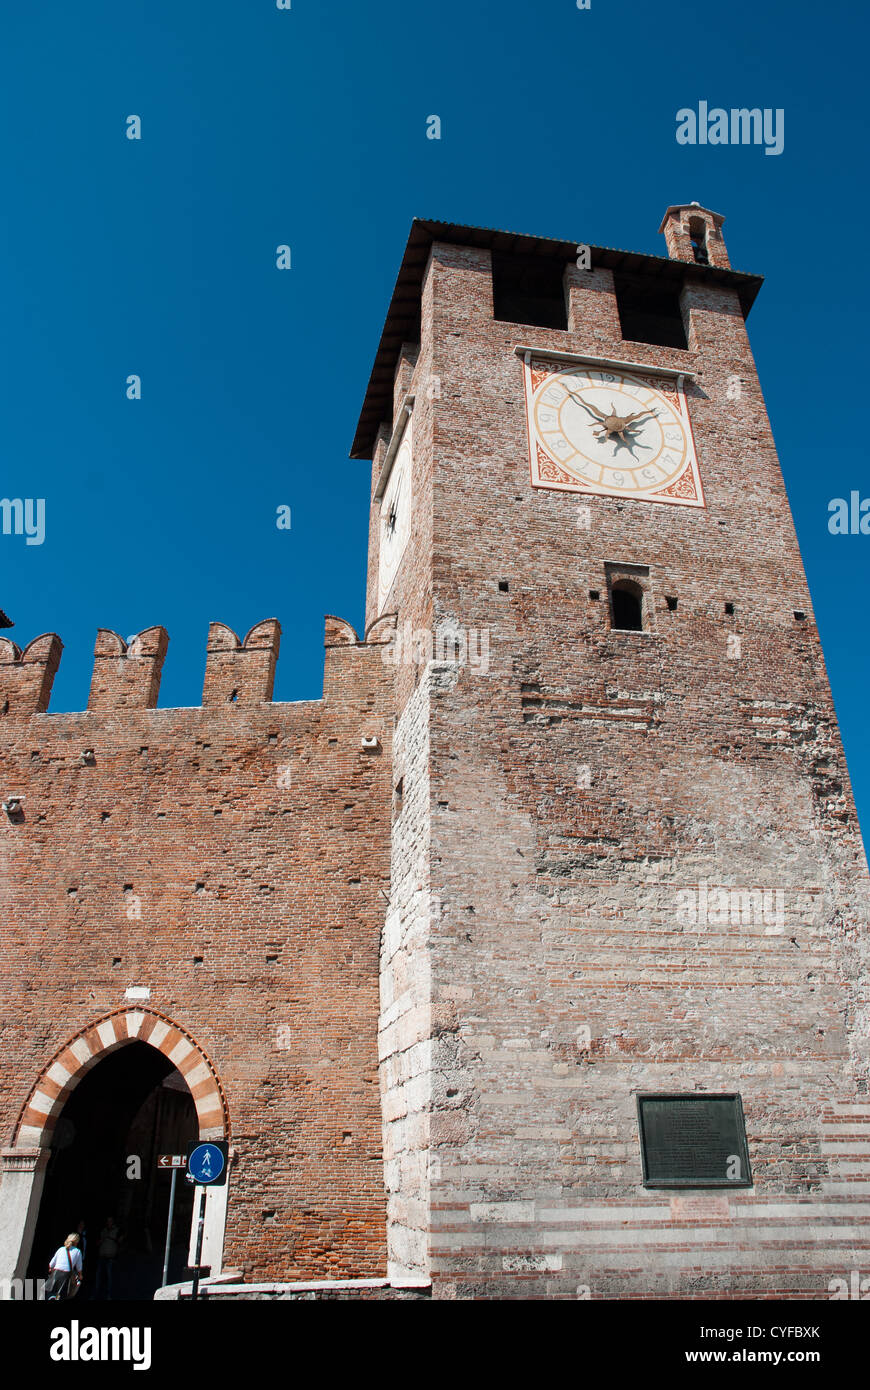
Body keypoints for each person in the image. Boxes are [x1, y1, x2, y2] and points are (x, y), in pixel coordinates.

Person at [46, 1234, 82, 1300]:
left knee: (50, 1293)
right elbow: (79, 1268)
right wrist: (80, 1275)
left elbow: (51, 1264)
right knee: (62, 1295)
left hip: (55, 1274)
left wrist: (50, 1269)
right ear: (77, 1242)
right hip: (66, 1276)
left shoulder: (60, 1249)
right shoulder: (78, 1252)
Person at [94, 1216, 121, 1299]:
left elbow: (120, 1241)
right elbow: (98, 1242)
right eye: (108, 1221)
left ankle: (108, 1295)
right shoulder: (103, 1230)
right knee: (98, 1277)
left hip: (110, 1257)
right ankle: (96, 1294)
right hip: (102, 1256)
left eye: (110, 1221)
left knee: (109, 1277)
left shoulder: (117, 1230)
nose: (109, 1222)